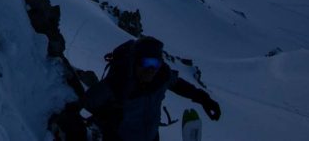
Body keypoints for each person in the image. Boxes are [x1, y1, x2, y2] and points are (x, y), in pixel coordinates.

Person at [54, 36, 221, 141]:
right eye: (146, 63)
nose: (151, 69)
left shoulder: (161, 77)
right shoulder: (119, 82)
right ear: (136, 62)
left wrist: (203, 98)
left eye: (155, 63)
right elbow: (88, 100)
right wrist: (70, 111)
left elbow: (178, 85)